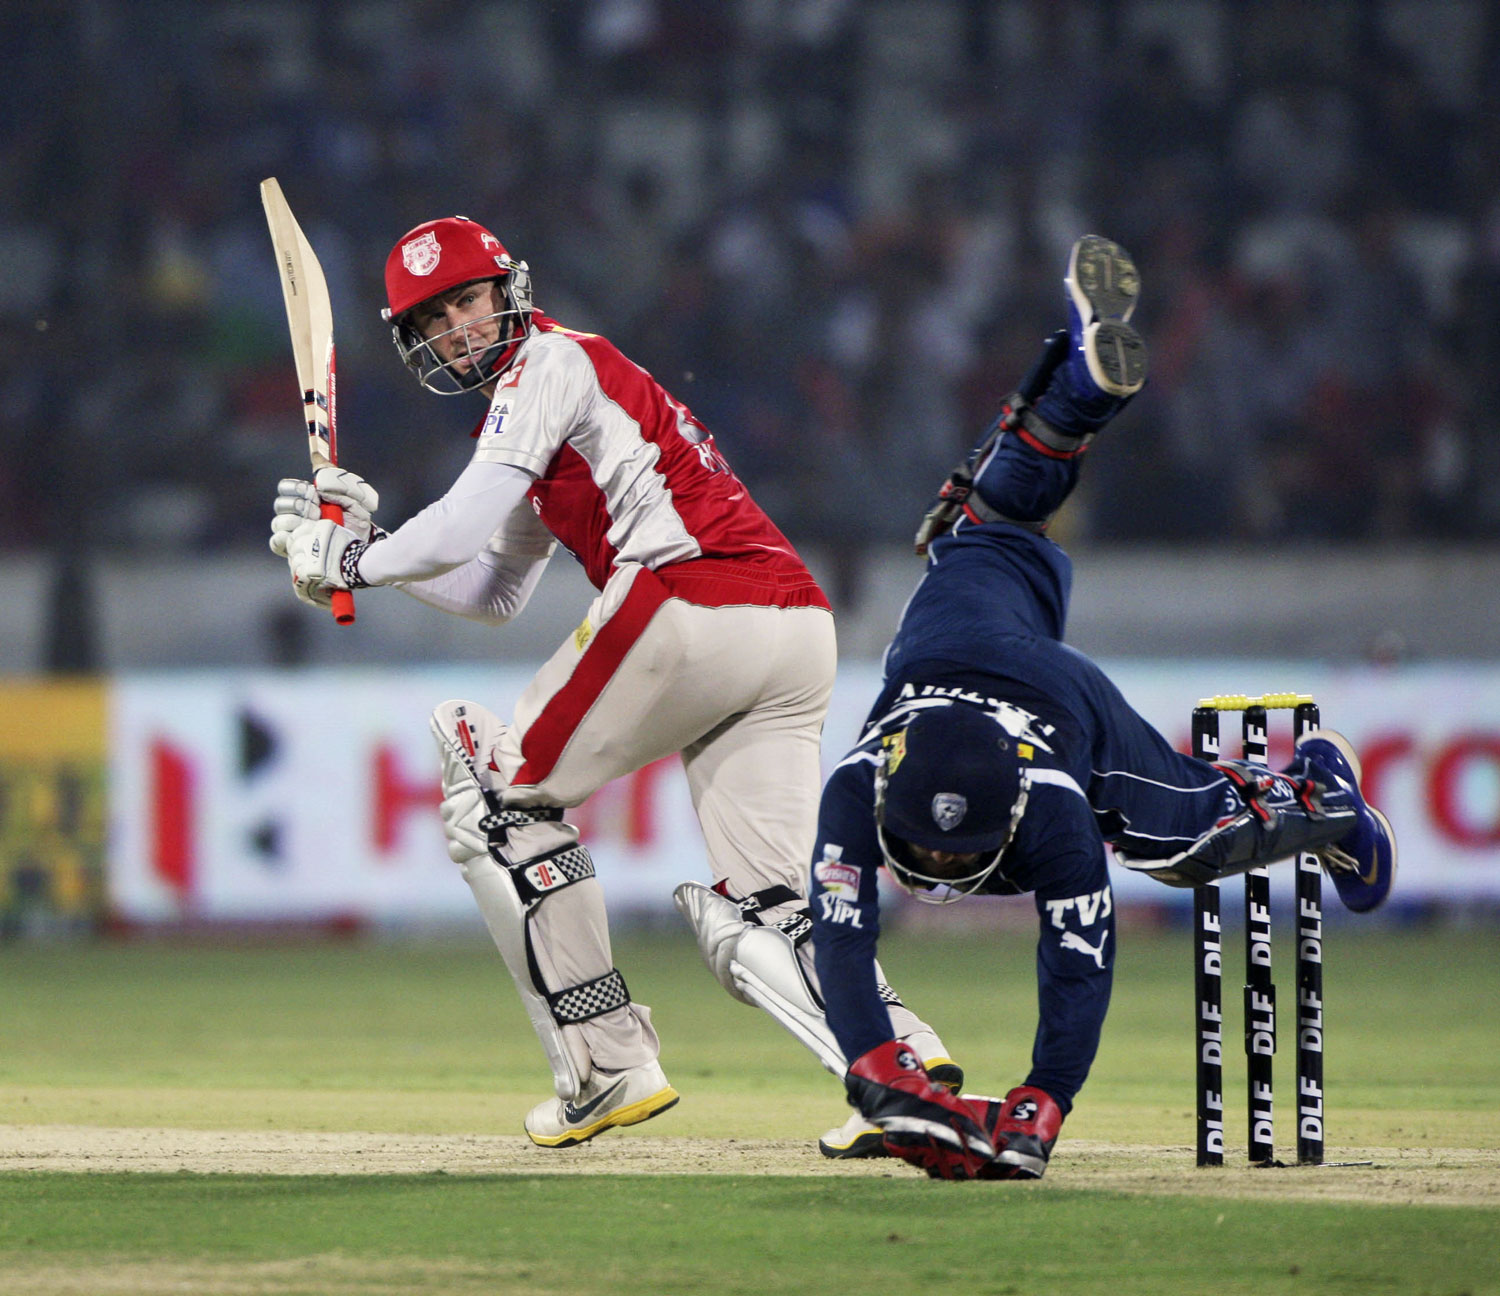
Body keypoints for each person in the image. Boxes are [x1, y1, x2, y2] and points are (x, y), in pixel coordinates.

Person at [268, 215, 956, 1148]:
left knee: (494, 794)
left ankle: (605, 1064)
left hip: (689, 593)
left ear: (508, 288)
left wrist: (351, 558)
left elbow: (461, 524)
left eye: (466, 301)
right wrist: (365, 543)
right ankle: (899, 1066)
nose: (456, 331)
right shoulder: (550, 392)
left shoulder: (548, 365)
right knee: (769, 906)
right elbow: (493, 587)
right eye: (432, 322)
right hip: (790, 623)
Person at [808, 235, 1397, 1180]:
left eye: (959, 860)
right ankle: (1081, 389)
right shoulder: (853, 786)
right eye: (929, 854)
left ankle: (1325, 800)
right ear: (889, 791)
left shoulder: (1055, 807)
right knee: (985, 525)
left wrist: (1046, 1097)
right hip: (944, 647)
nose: (946, 877)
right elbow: (836, 937)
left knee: (1188, 843)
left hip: (1052, 700)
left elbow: (1075, 961)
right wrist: (875, 1067)